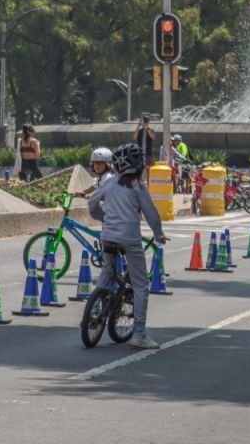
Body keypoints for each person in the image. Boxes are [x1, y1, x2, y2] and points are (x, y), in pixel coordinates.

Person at [86, 143, 167, 350]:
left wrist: (103, 217)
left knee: (107, 270)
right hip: (130, 239)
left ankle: (95, 311)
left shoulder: (109, 183)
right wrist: (159, 235)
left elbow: (92, 204)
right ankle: (139, 333)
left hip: (108, 235)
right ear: (138, 166)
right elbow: (151, 214)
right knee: (141, 285)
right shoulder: (138, 187)